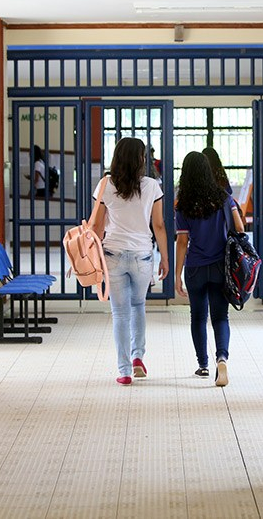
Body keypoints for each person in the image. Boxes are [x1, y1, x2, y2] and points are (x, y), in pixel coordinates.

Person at [91, 137, 170, 386]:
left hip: (113, 255)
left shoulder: (105, 185)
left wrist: (94, 258)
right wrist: (164, 258)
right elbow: (158, 225)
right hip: (142, 255)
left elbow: (97, 226)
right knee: (138, 307)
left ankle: (124, 370)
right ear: (140, 159)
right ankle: (138, 358)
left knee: (120, 314)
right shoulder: (152, 186)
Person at [175, 151, 244, 386]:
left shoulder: (183, 203)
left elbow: (182, 242)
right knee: (220, 316)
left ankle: (203, 365)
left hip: (195, 267)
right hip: (219, 266)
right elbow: (240, 227)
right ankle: (221, 358)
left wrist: (176, 275)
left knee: (197, 316)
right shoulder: (224, 198)